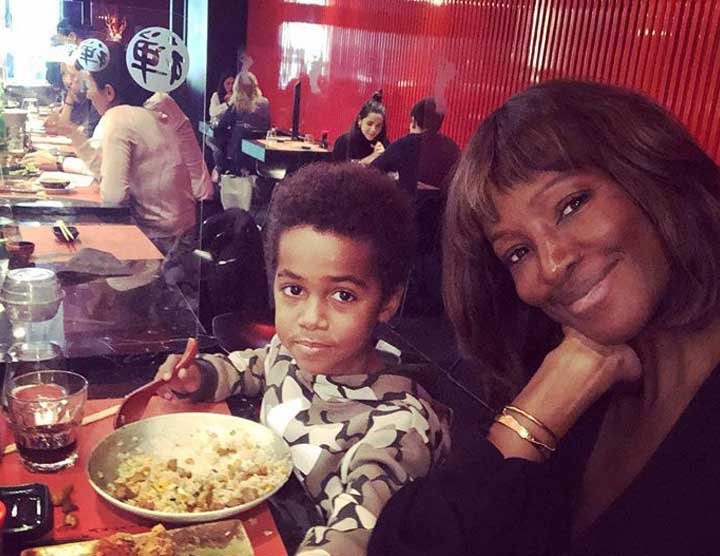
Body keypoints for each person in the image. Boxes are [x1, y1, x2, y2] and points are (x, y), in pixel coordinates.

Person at [368, 80, 720, 556]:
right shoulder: (575, 390)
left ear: (651, 174)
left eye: (572, 205)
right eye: (518, 252)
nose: (552, 265)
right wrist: (550, 397)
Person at [155, 162, 451, 556]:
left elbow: (356, 529)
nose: (311, 319)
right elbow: (254, 367)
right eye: (294, 290)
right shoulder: (291, 351)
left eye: (343, 295)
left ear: (387, 302)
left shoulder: (397, 426)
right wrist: (201, 375)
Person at [29, 41, 212, 242]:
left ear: (109, 92)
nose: (87, 93)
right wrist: (75, 135)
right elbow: (106, 171)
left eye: (89, 85)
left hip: (161, 240)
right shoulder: (147, 111)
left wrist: (71, 148)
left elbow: (113, 197)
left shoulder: (118, 117)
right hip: (181, 231)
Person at [372, 97, 459, 197]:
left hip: (409, 204)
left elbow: (373, 170)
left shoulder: (406, 143)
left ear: (413, 121)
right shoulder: (451, 147)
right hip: (443, 205)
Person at [212, 71, 271, 178]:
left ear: (237, 87)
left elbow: (221, 126)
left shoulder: (237, 105)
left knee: (215, 140)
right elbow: (267, 126)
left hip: (238, 155)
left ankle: (220, 169)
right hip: (260, 154)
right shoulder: (265, 103)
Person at [332, 92, 388, 164]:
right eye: (369, 124)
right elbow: (339, 169)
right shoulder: (344, 142)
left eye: (378, 126)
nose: (373, 130)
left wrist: (385, 157)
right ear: (360, 120)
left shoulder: (384, 144)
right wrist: (372, 157)